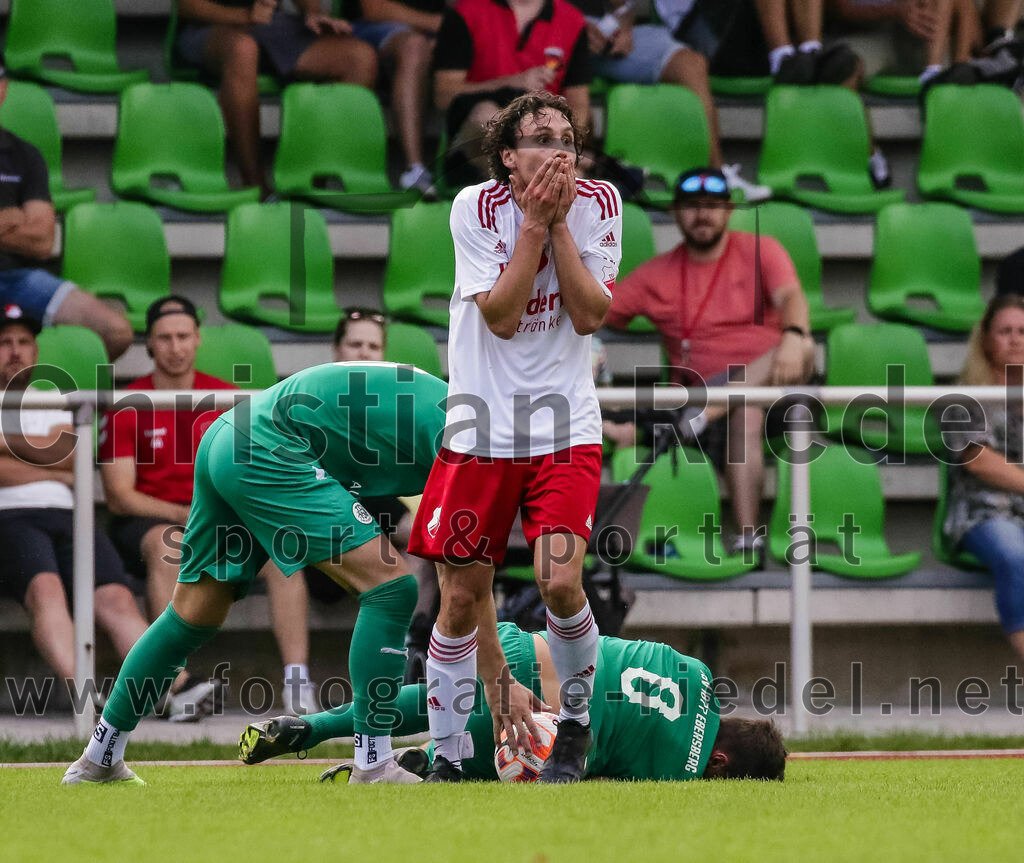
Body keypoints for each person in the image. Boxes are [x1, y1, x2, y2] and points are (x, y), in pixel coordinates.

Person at [62, 362, 448, 785]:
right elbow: (464, 584)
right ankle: (373, 766)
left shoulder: (461, 415)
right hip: (271, 447)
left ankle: (98, 760)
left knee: (190, 616)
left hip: (230, 436)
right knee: (391, 589)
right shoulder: (476, 442)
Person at [407, 91, 621, 783]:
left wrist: (556, 223)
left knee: (560, 580)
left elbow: (589, 315)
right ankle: (447, 756)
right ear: (507, 156)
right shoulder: (475, 207)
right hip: (481, 429)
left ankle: (577, 729)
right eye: (540, 138)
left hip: (565, 425)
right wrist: (533, 221)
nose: (559, 150)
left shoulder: (600, 203)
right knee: (463, 596)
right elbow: (500, 314)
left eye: (567, 139)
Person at [99, 296, 318, 717]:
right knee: (170, 548)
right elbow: (119, 495)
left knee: (281, 552)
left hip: (219, 512)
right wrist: (183, 515)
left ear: (198, 339)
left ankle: (297, 681)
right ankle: (175, 684)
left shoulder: (228, 398)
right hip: (152, 517)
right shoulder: (127, 403)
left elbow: (258, 473)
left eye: (184, 336)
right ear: (150, 345)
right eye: (165, 338)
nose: (175, 346)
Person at [239, 620, 788, 783]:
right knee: (461, 768)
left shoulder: (694, 671)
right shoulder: (682, 771)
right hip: (541, 725)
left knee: (432, 701)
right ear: (721, 761)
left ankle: (315, 726)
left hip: (520, 647)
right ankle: (422, 761)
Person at [605, 167, 813, 563]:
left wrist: (794, 335)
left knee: (802, 346)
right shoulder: (657, 274)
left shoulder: (762, 249)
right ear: (676, 213)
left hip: (780, 384)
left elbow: (792, 298)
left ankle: (689, 418)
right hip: (706, 398)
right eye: (692, 207)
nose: (703, 215)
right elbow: (596, 312)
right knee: (744, 408)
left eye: (712, 206)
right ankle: (749, 538)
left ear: (729, 210)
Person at [0, 306, 160, 707]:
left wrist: (10, 452)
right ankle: (85, 700)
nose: (15, 351)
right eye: (4, 343)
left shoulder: (56, 398)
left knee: (115, 598)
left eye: (23, 342)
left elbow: (71, 460)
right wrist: (50, 464)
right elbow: (59, 460)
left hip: (71, 515)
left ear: (36, 352)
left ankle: (172, 689)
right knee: (46, 590)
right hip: (11, 518)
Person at [315, 306, 439, 682]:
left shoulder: (395, 405)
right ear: (336, 350)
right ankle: (296, 677)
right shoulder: (315, 397)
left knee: (428, 543)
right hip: (320, 527)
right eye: (355, 344)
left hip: (382, 522)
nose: (365, 353)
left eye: (373, 345)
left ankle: (409, 648)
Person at [567, 0, 770, 201]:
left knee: (690, 64)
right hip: (551, 33)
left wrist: (624, 26)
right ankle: (583, 187)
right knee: (575, 106)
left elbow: (623, 8)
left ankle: (716, 175)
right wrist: (570, 24)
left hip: (603, 33)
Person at [0, 58, 132, 361]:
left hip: (18, 276)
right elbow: (28, 228)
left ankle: (48, 402)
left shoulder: (25, 155)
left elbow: (43, 240)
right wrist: (11, 218)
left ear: (4, 89)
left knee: (115, 331)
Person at [175, 0, 378, 193]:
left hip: (271, 26)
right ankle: (255, 186)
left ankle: (310, 183)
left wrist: (313, 13)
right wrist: (244, 15)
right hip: (209, 29)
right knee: (243, 49)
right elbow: (188, 6)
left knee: (359, 58)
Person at [942, 294, 1024, 663]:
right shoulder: (964, 396)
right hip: (983, 514)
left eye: (1023, 330)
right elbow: (977, 459)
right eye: (1004, 330)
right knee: (1016, 554)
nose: (1015, 338)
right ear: (986, 339)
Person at [432, 0, 592, 185]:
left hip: (543, 137)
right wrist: (512, 81)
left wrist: (568, 145)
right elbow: (443, 95)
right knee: (486, 113)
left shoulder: (571, 19)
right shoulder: (467, 11)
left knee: (569, 170)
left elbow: (578, 102)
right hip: (474, 146)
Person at [341, 0, 445, 193]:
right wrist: (445, 26)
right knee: (416, 45)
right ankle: (415, 169)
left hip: (431, 35)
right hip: (366, 31)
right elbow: (374, 9)